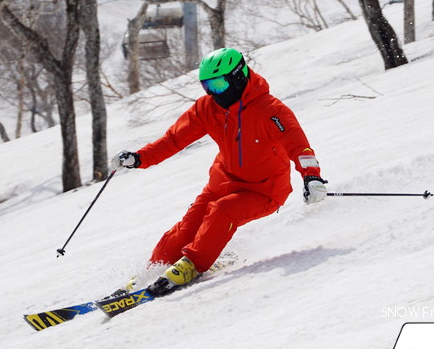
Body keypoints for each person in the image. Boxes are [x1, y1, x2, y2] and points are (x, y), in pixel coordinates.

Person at [110, 47, 327, 296]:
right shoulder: (208, 108)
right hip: (222, 183)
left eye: (219, 85)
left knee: (222, 212)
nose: (214, 93)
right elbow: (173, 139)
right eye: (208, 86)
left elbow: (297, 144)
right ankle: (152, 272)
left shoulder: (271, 110)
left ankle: (192, 265)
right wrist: (139, 158)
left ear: (238, 77)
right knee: (184, 231)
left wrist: (311, 176)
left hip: (263, 190)